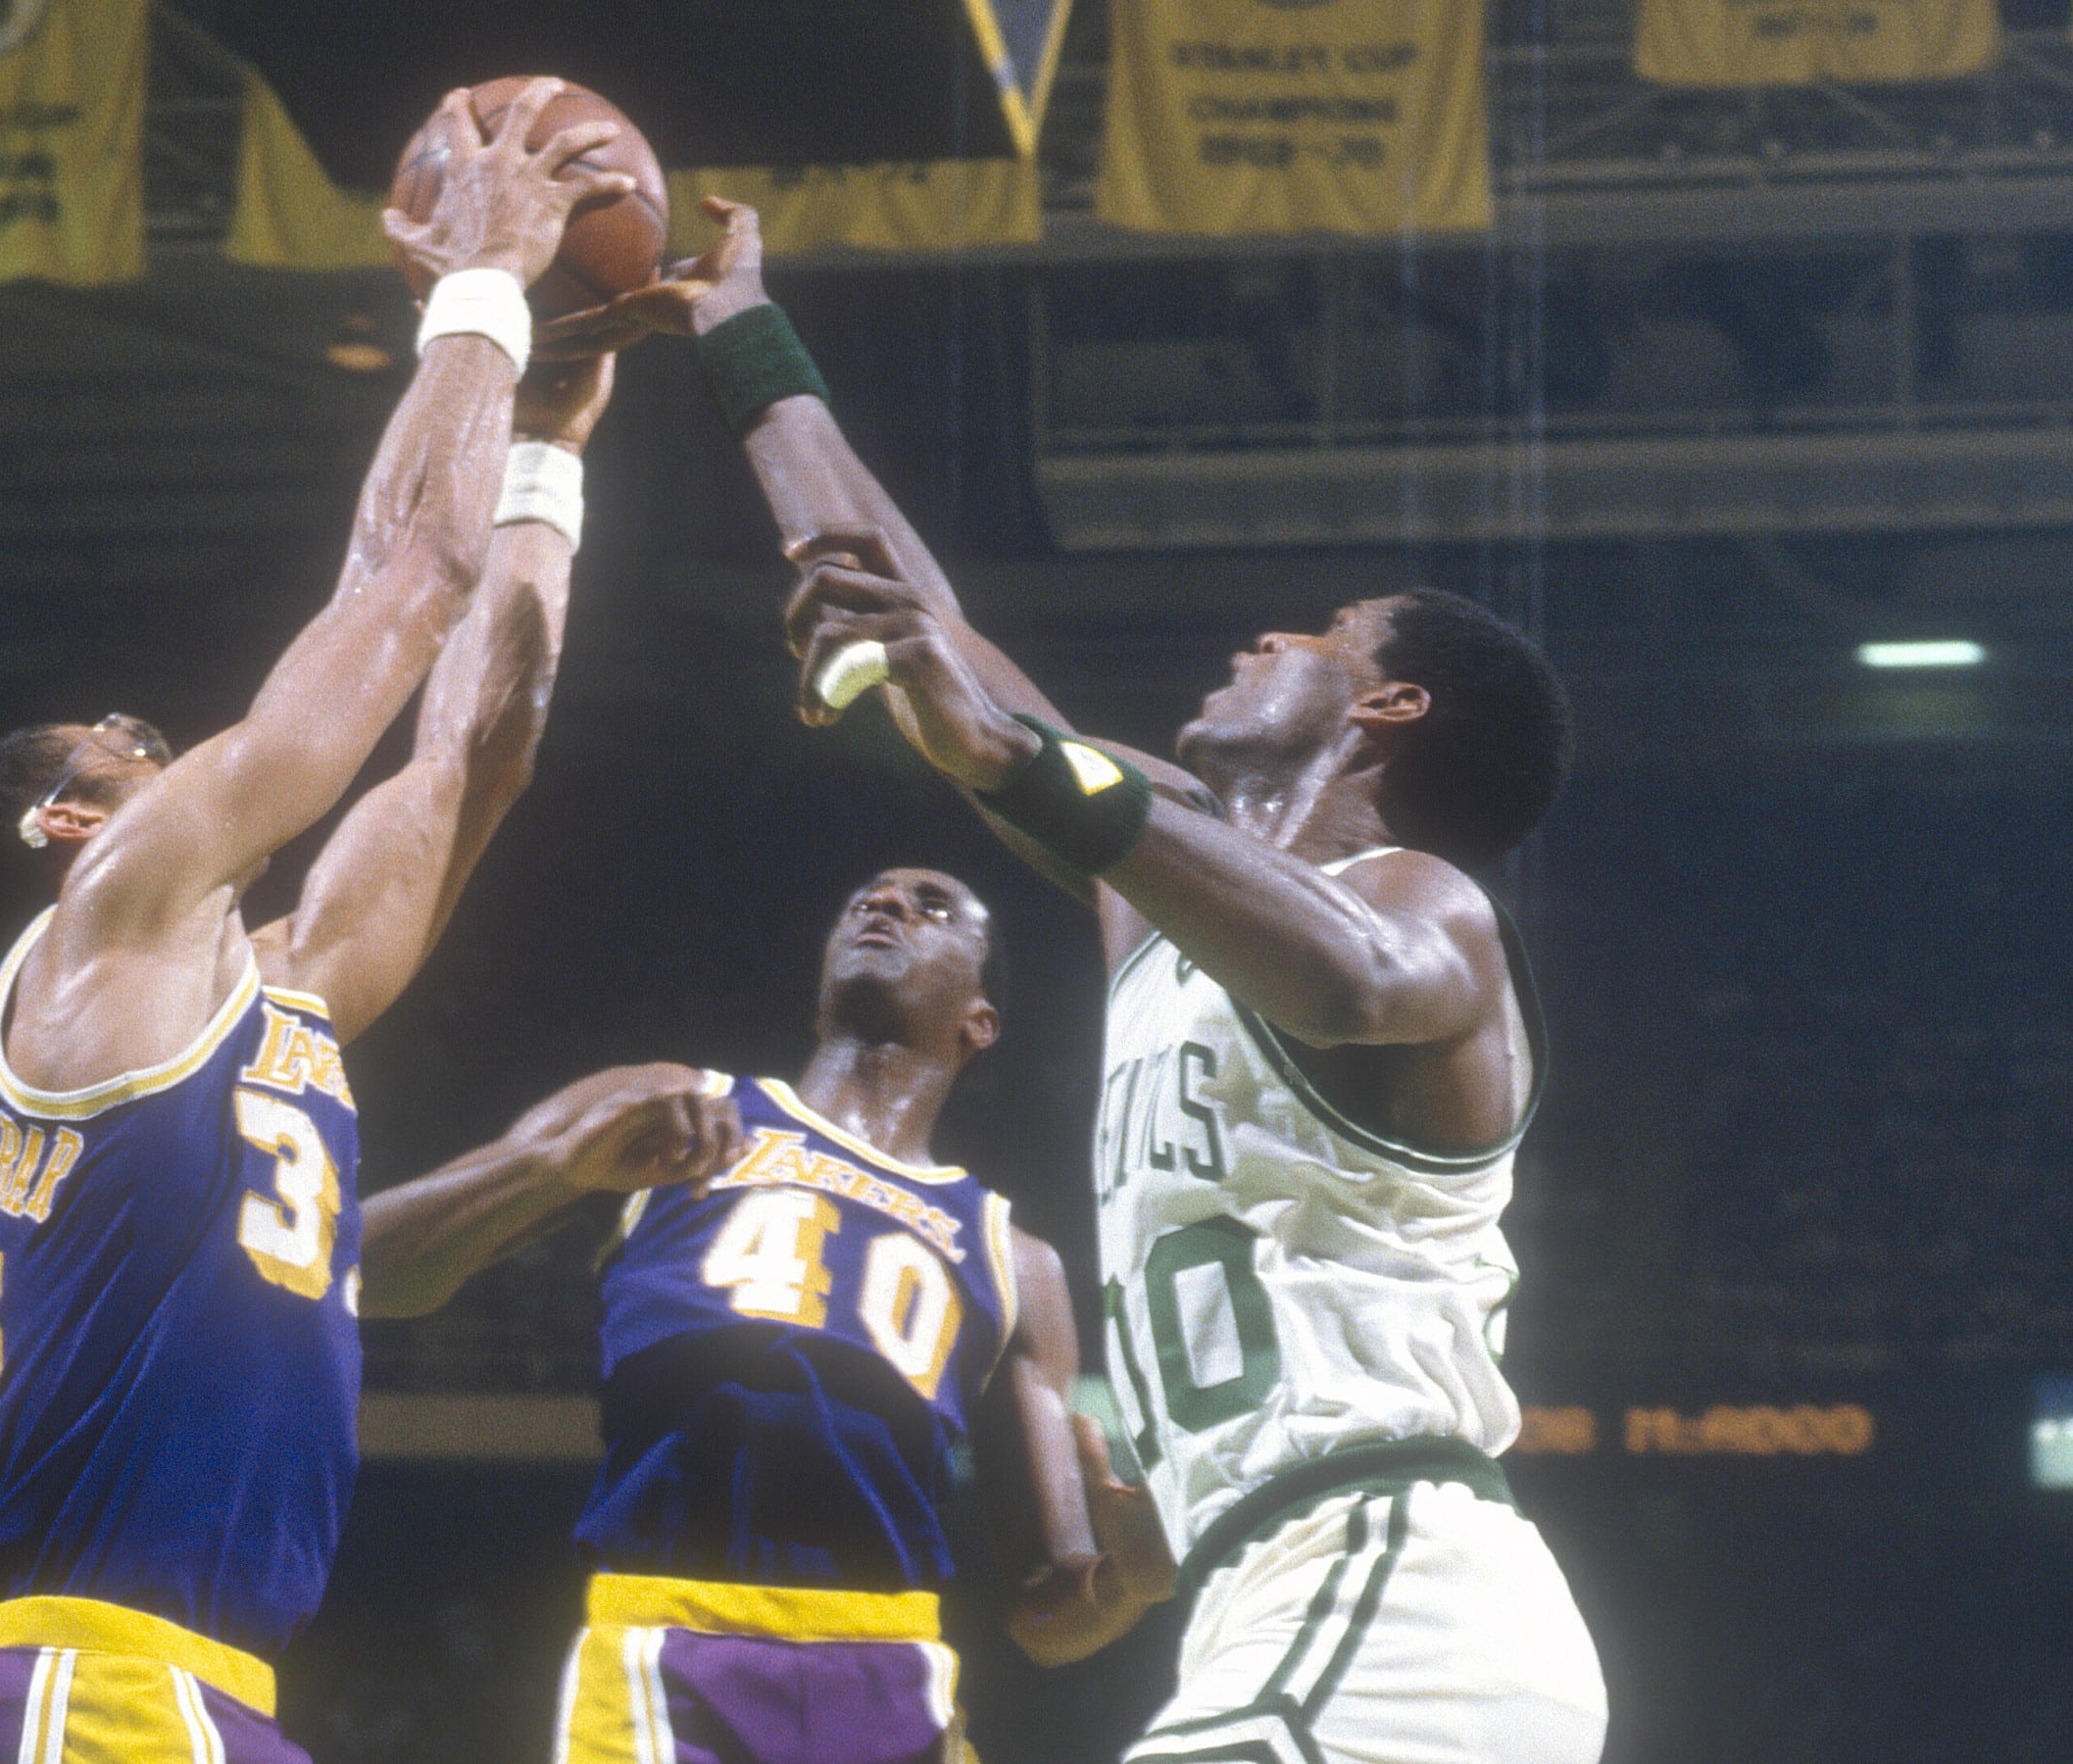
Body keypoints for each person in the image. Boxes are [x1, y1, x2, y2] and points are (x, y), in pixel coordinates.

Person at [553, 203, 1607, 1764]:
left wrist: (1008, 755)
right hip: (1261, 1598)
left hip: (1399, 1587)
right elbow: (927, 630)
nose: (1262, 635)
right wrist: (740, 341)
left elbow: (1343, 985)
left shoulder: (1418, 905)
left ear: (1385, 703)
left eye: (1312, 633)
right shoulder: (1153, 898)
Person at [0, 83, 723, 1764]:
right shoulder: (93, 941)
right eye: (124, 742)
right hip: (93, 1685)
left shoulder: (265, 1005)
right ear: (72, 826)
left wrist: (553, 459)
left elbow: (477, 750)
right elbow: (395, 589)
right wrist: (485, 288)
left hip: (204, 1689)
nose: (164, 744)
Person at [360, 867, 1178, 1764]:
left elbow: (1048, 1614)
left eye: (934, 906)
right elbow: (371, 1267)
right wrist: (553, 1171)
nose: (886, 904)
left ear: (979, 1020)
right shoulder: (680, 1104)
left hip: (893, 1675)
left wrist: (1128, 1589)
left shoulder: (1011, 1254)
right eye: (866, 897)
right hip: (670, 1641)